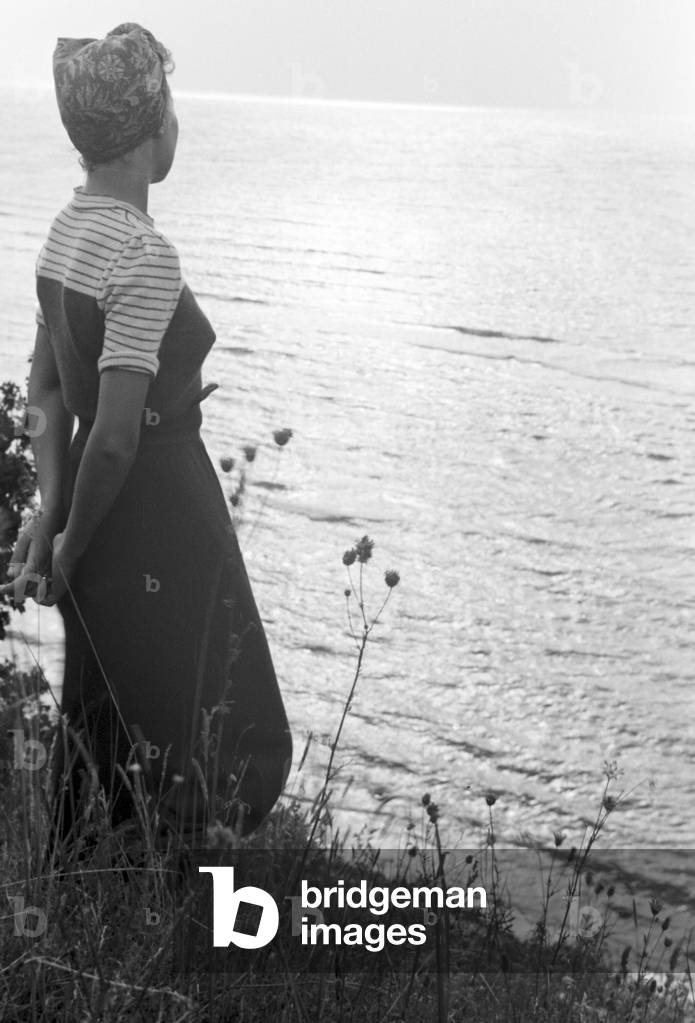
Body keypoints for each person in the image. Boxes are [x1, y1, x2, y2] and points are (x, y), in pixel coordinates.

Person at [0, 23, 292, 847]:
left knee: (102, 704)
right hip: (157, 504)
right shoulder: (144, 254)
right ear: (147, 129)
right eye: (170, 107)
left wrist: (55, 515)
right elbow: (118, 438)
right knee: (226, 711)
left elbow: (49, 393)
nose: (176, 123)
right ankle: (178, 883)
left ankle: (81, 875)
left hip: (93, 499)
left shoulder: (65, 230)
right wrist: (67, 545)